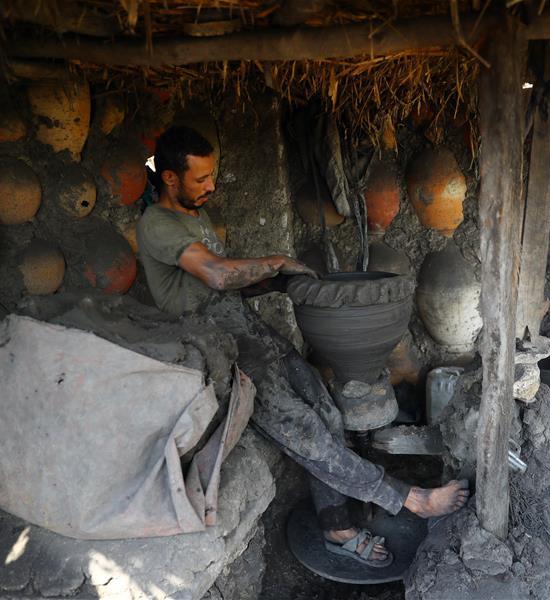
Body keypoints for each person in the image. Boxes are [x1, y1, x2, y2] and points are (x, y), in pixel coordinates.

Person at [137, 125, 469, 567]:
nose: (212, 185)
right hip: (214, 348)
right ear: (170, 178)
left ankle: (336, 523)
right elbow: (216, 275)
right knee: (305, 430)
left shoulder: (192, 215)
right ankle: (410, 499)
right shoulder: (157, 223)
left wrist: (278, 282)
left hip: (246, 331)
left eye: (211, 175)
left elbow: (221, 285)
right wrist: (273, 261)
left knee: (327, 411)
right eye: (201, 178)